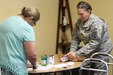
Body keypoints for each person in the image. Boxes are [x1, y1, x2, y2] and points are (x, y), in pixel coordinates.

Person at [64, 1, 113, 75]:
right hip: (89, 50)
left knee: (98, 72)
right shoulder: (78, 22)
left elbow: (94, 42)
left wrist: (77, 54)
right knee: (83, 68)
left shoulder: (96, 23)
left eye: (82, 14)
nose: (79, 16)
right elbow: (75, 38)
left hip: (101, 50)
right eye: (78, 14)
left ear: (89, 11)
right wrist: (72, 52)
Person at [0, 6, 40, 75]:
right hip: (17, 70)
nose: (34, 25)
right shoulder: (27, 27)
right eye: (35, 22)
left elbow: (11, 46)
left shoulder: (4, 23)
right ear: (31, 19)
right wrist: (34, 64)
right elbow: (31, 54)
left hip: (3, 67)